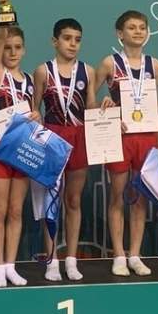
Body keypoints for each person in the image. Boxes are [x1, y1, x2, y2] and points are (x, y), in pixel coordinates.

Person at [95, 10, 158, 277]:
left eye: (142, 27)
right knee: (117, 196)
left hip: (147, 136)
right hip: (120, 137)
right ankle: (118, 255)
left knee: (140, 198)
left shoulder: (155, 66)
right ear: (120, 33)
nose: (138, 31)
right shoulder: (109, 63)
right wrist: (105, 107)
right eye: (131, 27)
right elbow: (89, 101)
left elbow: (151, 106)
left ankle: (135, 255)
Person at [33, 18, 97, 281]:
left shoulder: (88, 71)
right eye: (67, 38)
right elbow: (35, 107)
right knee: (51, 201)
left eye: (77, 40)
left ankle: (71, 259)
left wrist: (104, 108)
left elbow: (90, 106)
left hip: (79, 136)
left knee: (73, 200)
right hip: (52, 136)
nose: (73, 44)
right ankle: (51, 260)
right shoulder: (43, 71)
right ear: (54, 41)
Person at [0, 0, 38, 287]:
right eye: (8, 48)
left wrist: (36, 116)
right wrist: (3, 5)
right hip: (0, 146)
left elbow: (34, 114)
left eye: (18, 47)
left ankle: (11, 265)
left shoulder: (29, 81)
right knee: (0, 209)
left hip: (24, 148)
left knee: (17, 210)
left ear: (24, 50)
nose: (12, 52)